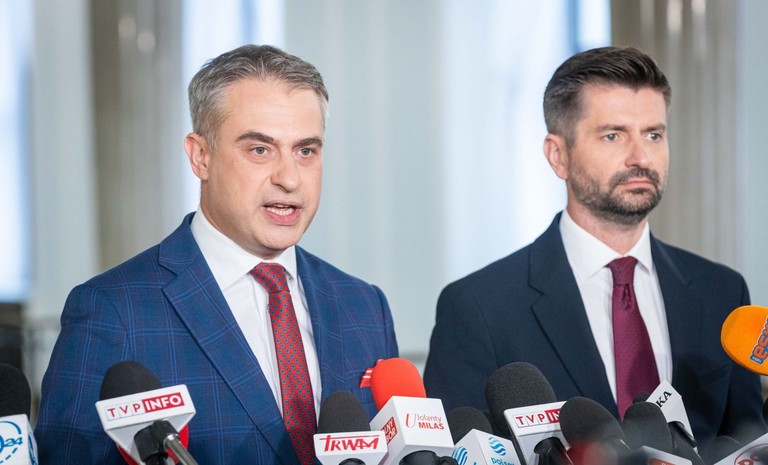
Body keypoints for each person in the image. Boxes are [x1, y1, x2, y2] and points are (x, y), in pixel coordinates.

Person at [35, 44, 398, 464]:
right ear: (200, 156)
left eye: (306, 151)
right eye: (259, 149)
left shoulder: (364, 305)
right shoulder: (113, 310)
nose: (289, 178)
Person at [423, 46, 765, 449]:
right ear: (558, 155)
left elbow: (751, 444)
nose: (641, 157)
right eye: (613, 135)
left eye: (653, 134)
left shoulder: (721, 292)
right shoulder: (478, 308)